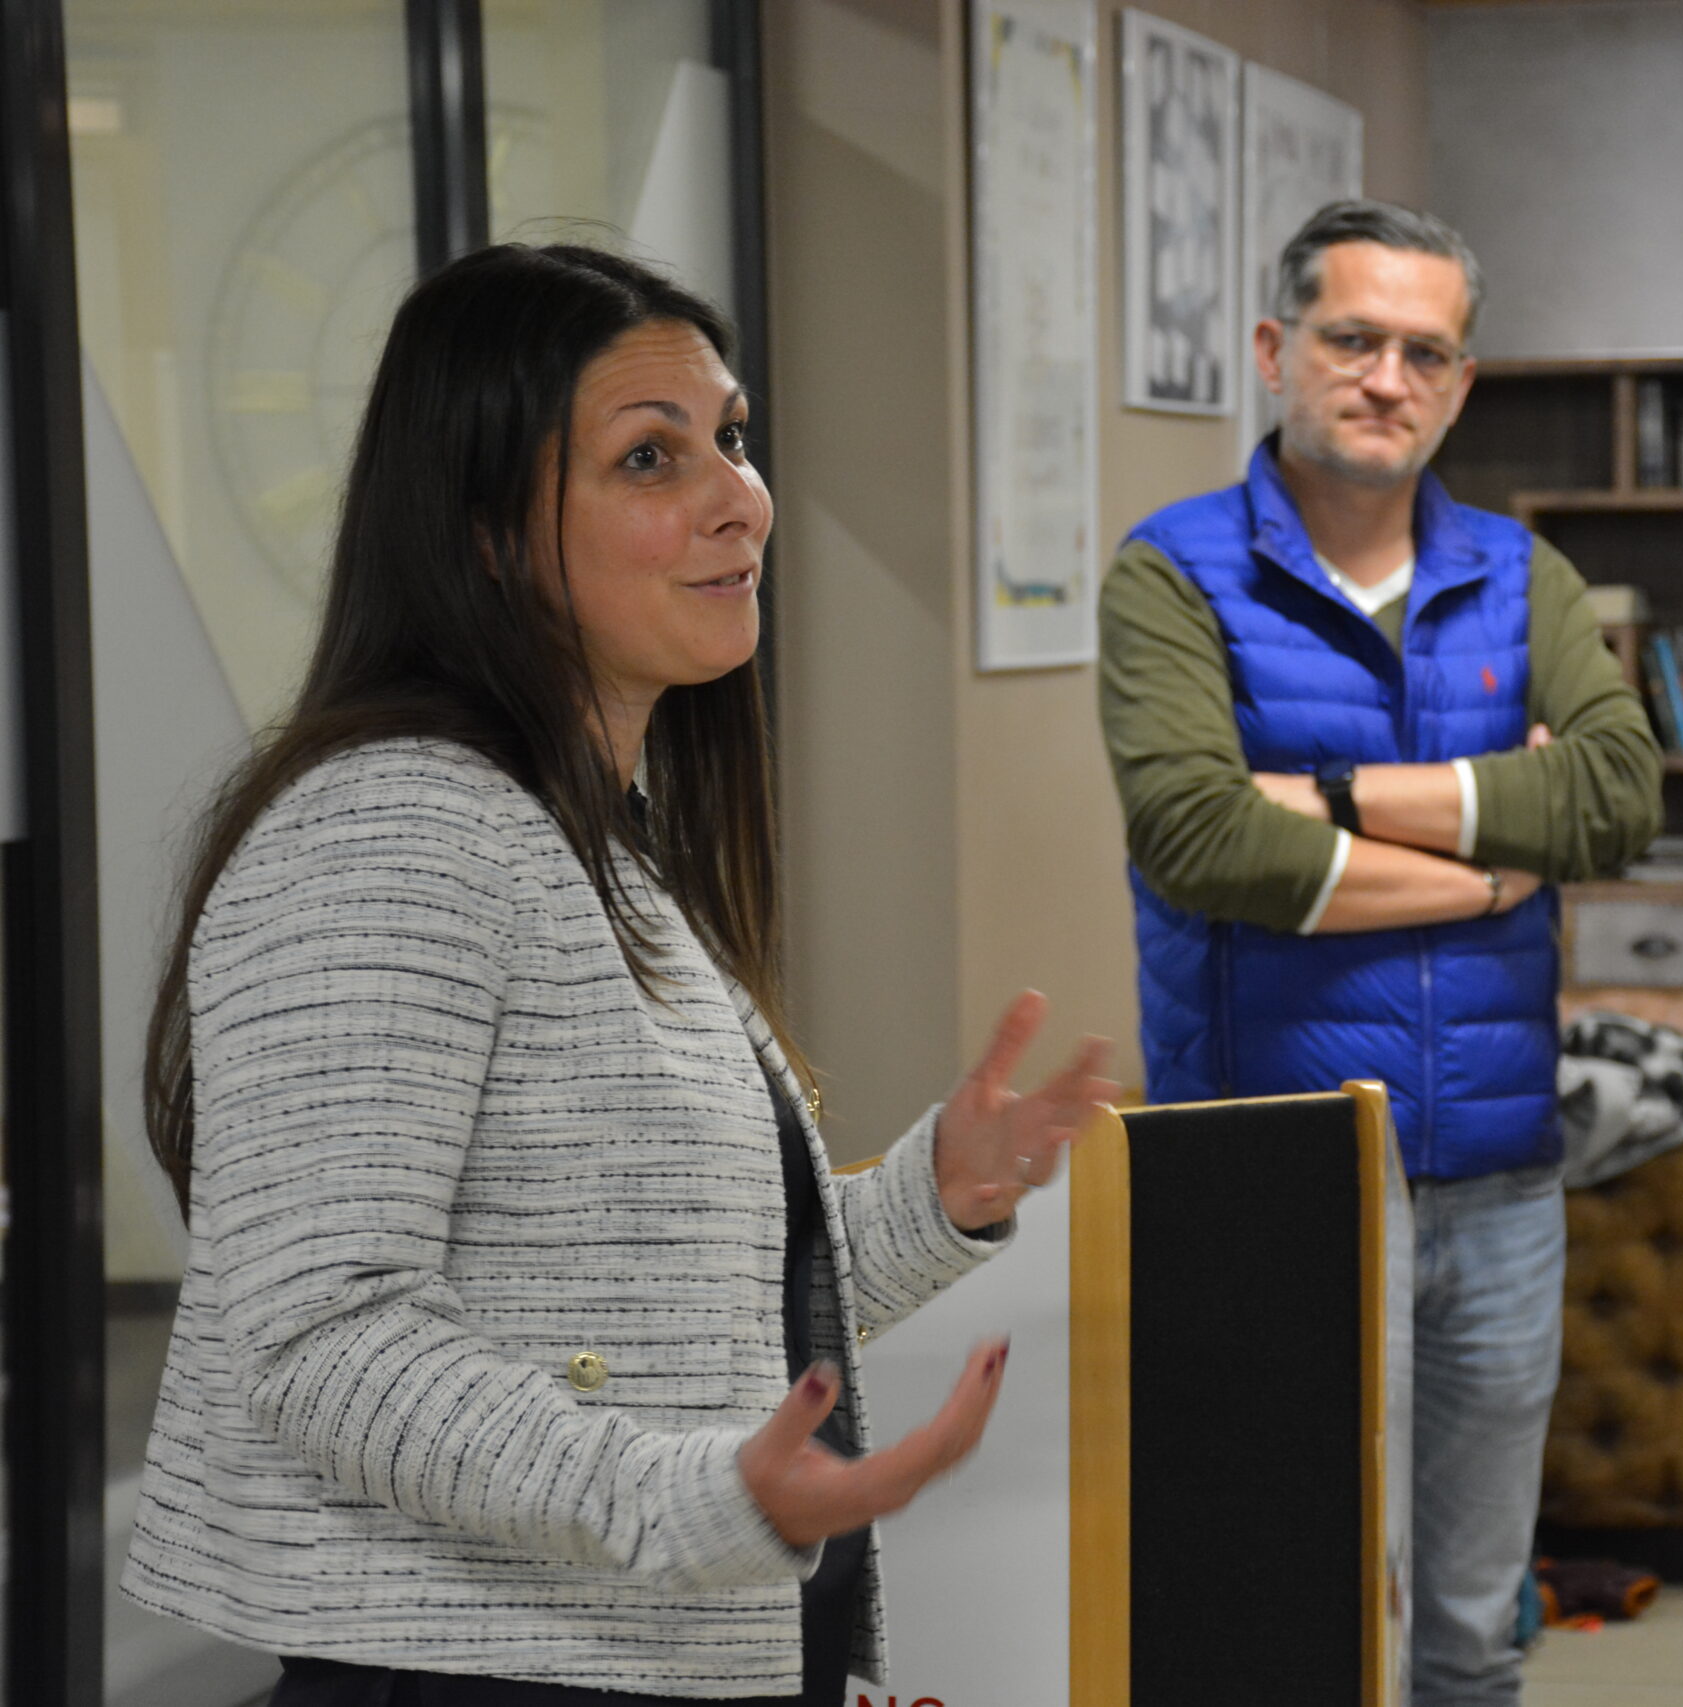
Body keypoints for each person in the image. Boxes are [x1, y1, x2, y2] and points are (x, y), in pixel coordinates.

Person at [119, 243, 1114, 1706]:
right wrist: (695, 1497)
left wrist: (937, 1196)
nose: (738, 498)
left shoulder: (583, 830)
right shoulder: (391, 826)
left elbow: (669, 1299)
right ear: (485, 534)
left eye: (732, 437)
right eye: (651, 457)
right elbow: (325, 1337)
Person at [1098, 198, 1660, 1703]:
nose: (1387, 377)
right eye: (1353, 338)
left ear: (1460, 383)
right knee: (1280, 1621)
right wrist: (1488, 874)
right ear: (1275, 349)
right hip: (1269, 1183)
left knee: (1472, 1632)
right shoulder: (1173, 573)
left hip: (1497, 1187)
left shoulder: (1519, 575)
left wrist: (1334, 798)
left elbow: (1616, 796)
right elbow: (1199, 836)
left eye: (1425, 351)